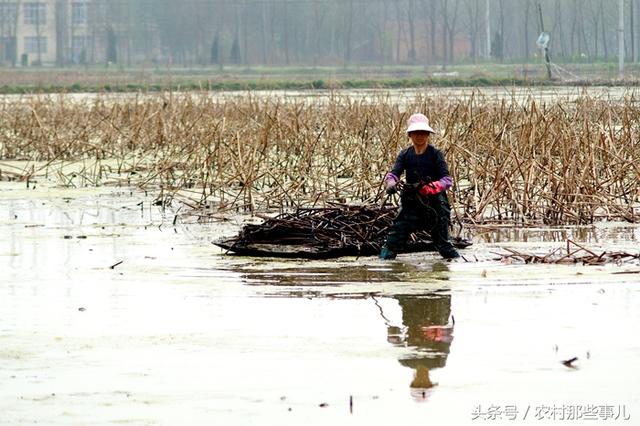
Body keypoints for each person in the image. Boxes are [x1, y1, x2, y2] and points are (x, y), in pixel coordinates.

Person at [379, 113, 460, 260]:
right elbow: (393, 174)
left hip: (435, 205)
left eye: (423, 133)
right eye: (416, 133)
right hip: (411, 203)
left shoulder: (436, 154)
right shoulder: (405, 155)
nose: (420, 136)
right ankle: (384, 266)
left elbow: (447, 180)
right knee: (392, 241)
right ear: (410, 134)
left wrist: (431, 188)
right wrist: (391, 184)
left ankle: (455, 264)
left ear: (428, 134)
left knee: (443, 245)